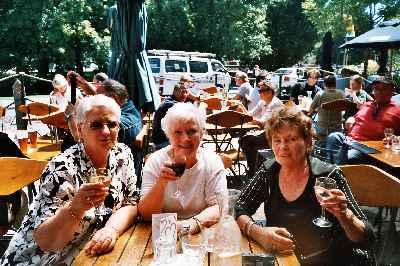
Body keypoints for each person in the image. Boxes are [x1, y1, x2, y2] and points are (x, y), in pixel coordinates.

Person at [0, 95, 139, 265]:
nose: (106, 131)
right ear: (80, 130)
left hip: (90, 252)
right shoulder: (62, 168)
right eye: (96, 125)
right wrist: (75, 208)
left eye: (112, 124)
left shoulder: (122, 155)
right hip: (43, 259)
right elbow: (46, 242)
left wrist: (112, 229)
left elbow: (131, 203)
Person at [235, 106, 374, 265]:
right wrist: (258, 233)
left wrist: (344, 215)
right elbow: (240, 207)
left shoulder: (328, 176)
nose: (283, 147)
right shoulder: (269, 170)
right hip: (284, 260)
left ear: (308, 141)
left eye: (291, 139)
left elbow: (366, 238)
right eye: (277, 140)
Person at [139, 103, 227, 234]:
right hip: (161, 233)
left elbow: (218, 206)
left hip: (202, 230)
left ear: (202, 133)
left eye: (192, 131)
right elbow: (145, 214)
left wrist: (191, 224)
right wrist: (161, 184)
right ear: (168, 135)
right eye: (178, 132)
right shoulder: (156, 161)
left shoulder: (212, 161)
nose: (185, 138)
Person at [326, 79, 400, 164]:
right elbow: (357, 118)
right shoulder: (367, 105)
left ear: (392, 90)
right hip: (349, 141)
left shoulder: (397, 110)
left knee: (344, 156)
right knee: (334, 136)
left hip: (368, 148)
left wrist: (396, 138)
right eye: (376, 88)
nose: (379, 92)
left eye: (383, 89)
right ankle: (333, 167)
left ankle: (332, 170)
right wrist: (351, 118)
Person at [97, 79, 143, 179]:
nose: (94, 102)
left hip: (120, 179)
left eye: (97, 98)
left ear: (113, 98)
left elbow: (112, 127)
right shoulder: (130, 109)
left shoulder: (124, 121)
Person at [152, 84, 188, 150]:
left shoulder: (170, 101)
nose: (185, 95)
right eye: (183, 92)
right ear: (175, 92)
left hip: (165, 139)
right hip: (163, 142)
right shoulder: (170, 104)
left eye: (186, 92)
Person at [308, 75, 345, 140]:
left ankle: (318, 146)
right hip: (337, 129)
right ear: (335, 84)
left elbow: (310, 111)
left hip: (322, 129)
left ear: (324, 84)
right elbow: (343, 109)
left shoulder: (320, 94)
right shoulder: (341, 94)